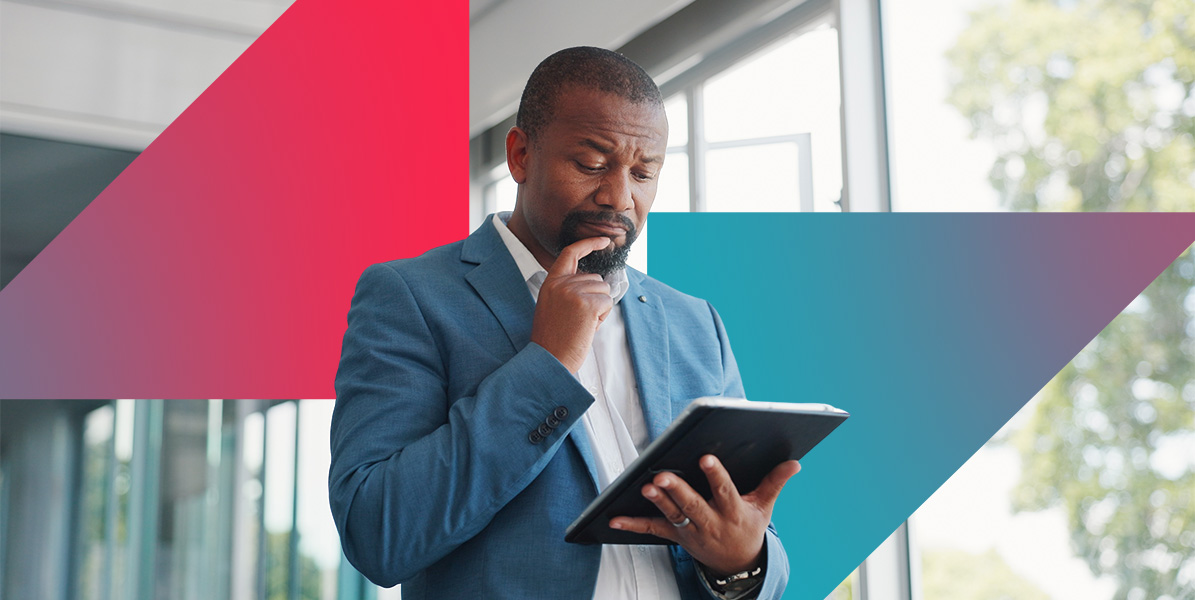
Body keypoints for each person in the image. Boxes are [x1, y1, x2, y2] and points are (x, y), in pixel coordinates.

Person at [328, 46, 799, 600]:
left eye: (644, 173)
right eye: (593, 164)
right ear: (521, 154)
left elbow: (750, 531)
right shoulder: (410, 296)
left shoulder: (696, 324)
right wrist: (548, 365)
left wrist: (742, 560)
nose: (620, 197)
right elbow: (378, 533)